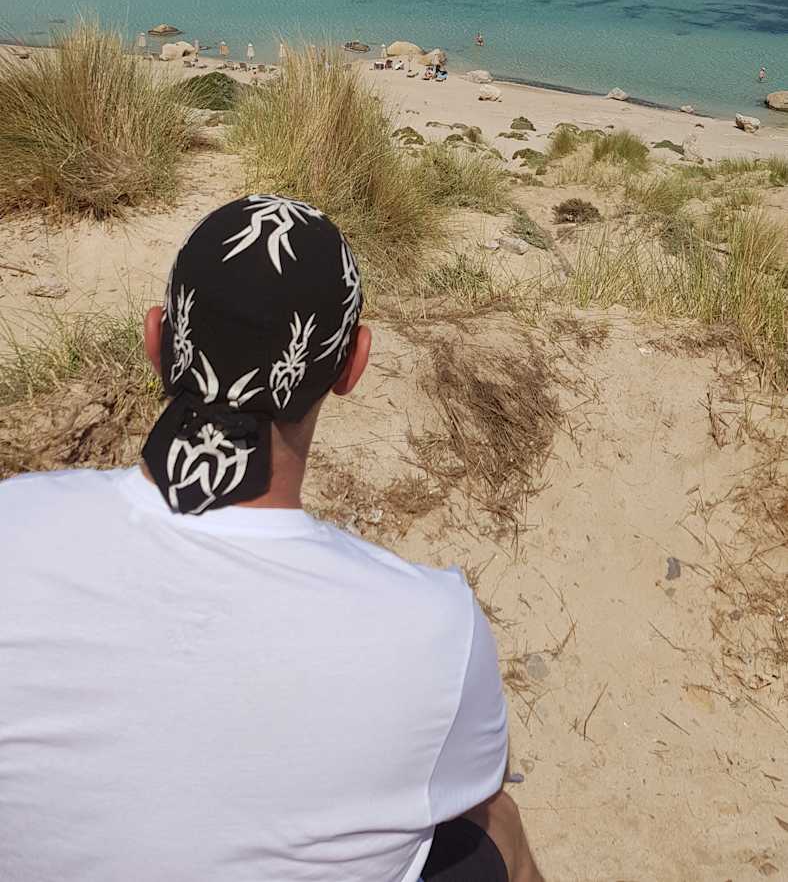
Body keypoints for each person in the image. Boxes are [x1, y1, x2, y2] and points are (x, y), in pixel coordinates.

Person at [0, 198, 543, 882]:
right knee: (493, 824)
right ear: (352, 367)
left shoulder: (12, 522)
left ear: (157, 339)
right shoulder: (437, 626)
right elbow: (475, 781)